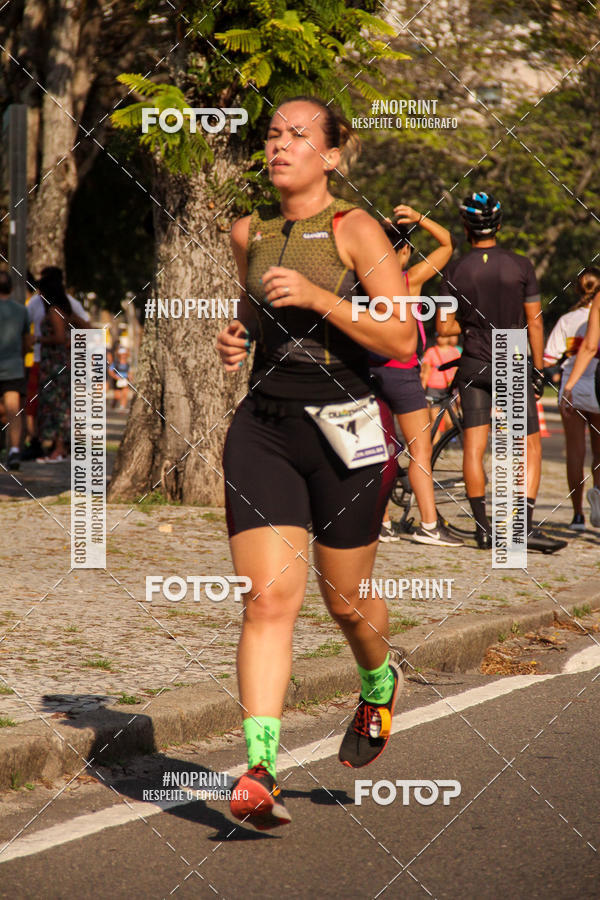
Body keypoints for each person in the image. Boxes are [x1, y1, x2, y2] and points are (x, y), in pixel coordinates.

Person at [217, 96, 415, 831]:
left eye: (298, 135)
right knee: (268, 601)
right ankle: (259, 769)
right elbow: (253, 310)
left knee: (345, 603)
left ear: (332, 155)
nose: (279, 145)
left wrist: (319, 297)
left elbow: (400, 341)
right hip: (264, 429)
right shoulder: (249, 231)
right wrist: (236, 337)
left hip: (347, 435)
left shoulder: (355, 229)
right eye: (271, 133)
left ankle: (377, 677)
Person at [437, 191, 566, 554]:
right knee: (528, 446)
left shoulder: (456, 270)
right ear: (499, 224)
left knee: (475, 447)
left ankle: (482, 531)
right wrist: (539, 369)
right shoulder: (521, 265)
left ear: (466, 227)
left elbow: (444, 328)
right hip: (512, 355)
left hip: (474, 361)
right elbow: (535, 323)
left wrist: (469, 321)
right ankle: (521, 529)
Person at [371, 211, 462, 547]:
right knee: (420, 452)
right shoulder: (411, 280)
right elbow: (447, 244)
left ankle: (381, 523)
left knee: (379, 450)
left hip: (368, 372)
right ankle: (428, 525)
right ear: (405, 251)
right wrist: (418, 217)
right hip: (404, 373)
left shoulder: (361, 281)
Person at [26, 266, 91, 457]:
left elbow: (60, 337)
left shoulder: (55, 311)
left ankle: (59, 446)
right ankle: (53, 444)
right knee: (55, 404)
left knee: (57, 405)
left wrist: (38, 340)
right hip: (54, 362)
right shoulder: (63, 309)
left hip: (55, 364)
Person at [559, 269, 600, 527]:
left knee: (575, 452)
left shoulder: (568, 319)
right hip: (594, 379)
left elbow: (589, 346)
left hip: (586, 381)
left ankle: (577, 515)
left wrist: (568, 386)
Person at [0, 272, 31, 470]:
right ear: (11, 289)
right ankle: (14, 451)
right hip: (13, 366)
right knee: (14, 410)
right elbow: (27, 343)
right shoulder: (22, 311)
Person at [420, 333, 462, 439]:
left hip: (449, 389)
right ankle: (436, 448)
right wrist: (421, 391)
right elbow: (425, 372)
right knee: (434, 420)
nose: (441, 338)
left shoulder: (455, 351)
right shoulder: (431, 352)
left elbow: (458, 370)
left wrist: (460, 390)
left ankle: (445, 442)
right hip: (433, 389)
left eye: (443, 336)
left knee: (450, 420)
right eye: (439, 336)